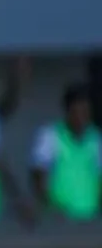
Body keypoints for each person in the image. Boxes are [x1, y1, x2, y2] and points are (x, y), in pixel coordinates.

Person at [30, 84, 98, 221]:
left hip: (90, 218)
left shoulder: (96, 139)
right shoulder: (50, 135)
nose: (81, 118)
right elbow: (37, 176)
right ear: (67, 111)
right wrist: (51, 206)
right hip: (60, 221)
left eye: (85, 112)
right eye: (77, 112)